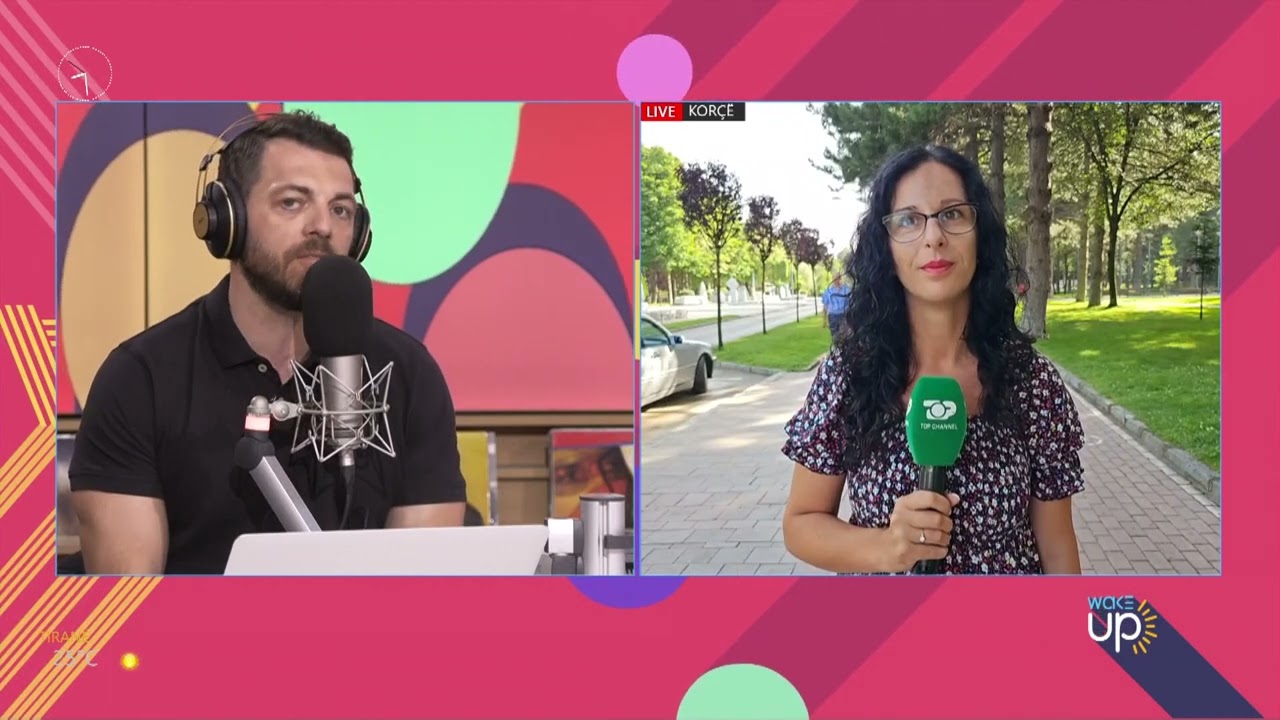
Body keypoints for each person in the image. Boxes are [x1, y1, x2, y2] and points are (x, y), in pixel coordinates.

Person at [69, 111, 467, 575]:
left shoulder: (407, 373)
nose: (323, 226)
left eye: (341, 209)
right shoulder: (140, 379)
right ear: (227, 220)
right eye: (292, 203)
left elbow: (423, 586)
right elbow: (128, 602)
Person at [779, 145, 1085, 576]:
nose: (933, 236)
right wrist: (887, 547)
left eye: (952, 214)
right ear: (886, 245)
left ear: (980, 234)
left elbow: (1057, 546)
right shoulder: (850, 375)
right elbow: (801, 523)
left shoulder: (1031, 382)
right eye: (909, 219)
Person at [821, 274, 851, 340]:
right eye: (834, 279)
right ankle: (837, 345)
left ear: (840, 279)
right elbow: (825, 305)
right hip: (832, 316)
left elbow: (851, 303)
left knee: (844, 335)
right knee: (835, 336)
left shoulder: (847, 290)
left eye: (837, 279)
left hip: (844, 315)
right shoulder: (828, 291)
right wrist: (824, 320)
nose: (836, 281)